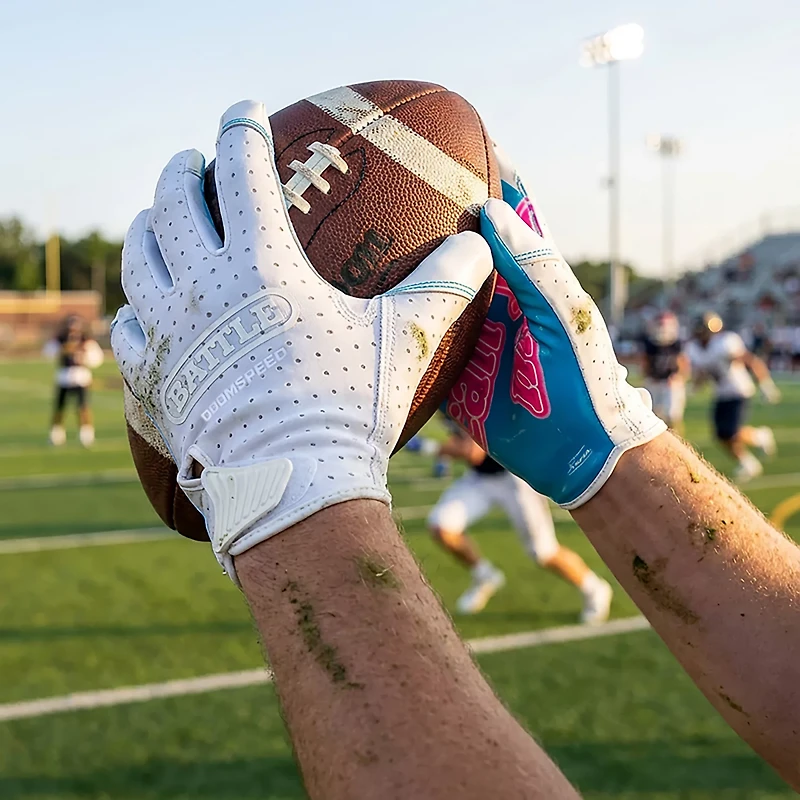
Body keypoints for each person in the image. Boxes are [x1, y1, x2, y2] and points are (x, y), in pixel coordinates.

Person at [111, 101, 800, 798]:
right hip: (512, 469)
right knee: (448, 525)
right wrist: (617, 452)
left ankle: (585, 586)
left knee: (534, 547)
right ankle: (507, 560)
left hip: (507, 483)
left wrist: (286, 474)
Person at [409, 429, 612, 621]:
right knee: (442, 525)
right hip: (481, 477)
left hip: (514, 476)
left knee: (544, 552)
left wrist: (426, 446)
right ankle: (485, 575)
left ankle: (594, 588)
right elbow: (460, 438)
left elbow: (473, 452)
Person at [685, 311, 780, 480]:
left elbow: (750, 361)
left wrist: (766, 384)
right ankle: (749, 460)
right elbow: (704, 373)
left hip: (738, 390)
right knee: (721, 435)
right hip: (721, 393)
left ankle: (758, 441)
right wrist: (694, 387)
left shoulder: (725, 342)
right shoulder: (695, 349)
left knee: (731, 432)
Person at [43, 314, 104, 447]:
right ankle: (56, 434)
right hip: (64, 376)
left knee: (83, 407)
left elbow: (97, 358)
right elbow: (48, 353)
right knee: (60, 407)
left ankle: (86, 435)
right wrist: (63, 350)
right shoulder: (60, 340)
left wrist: (85, 358)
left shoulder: (87, 341)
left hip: (81, 376)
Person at [639, 309, 690, 433]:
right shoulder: (650, 344)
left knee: (672, 417)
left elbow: (683, 364)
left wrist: (679, 378)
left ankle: (676, 439)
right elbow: (645, 363)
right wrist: (649, 377)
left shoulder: (677, 344)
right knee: (652, 417)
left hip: (670, 383)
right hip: (654, 382)